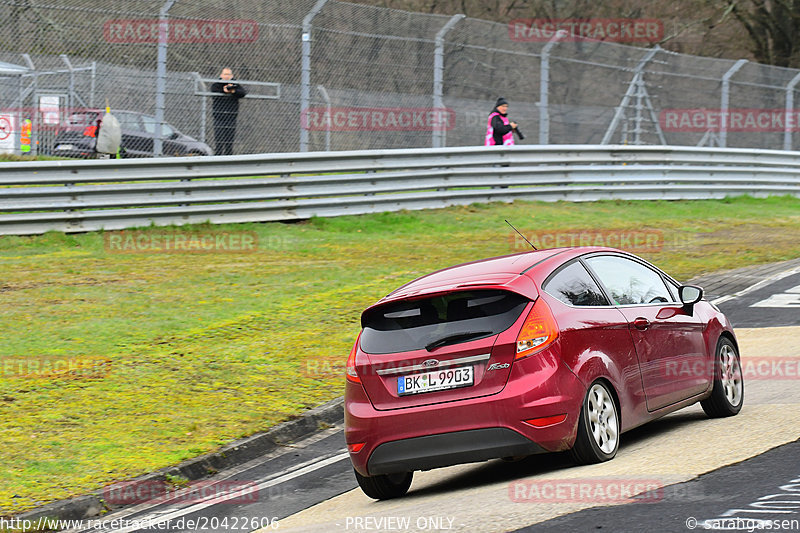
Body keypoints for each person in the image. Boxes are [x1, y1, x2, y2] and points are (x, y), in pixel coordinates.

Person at [210, 67, 247, 155]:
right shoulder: (217, 85)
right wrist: (224, 91)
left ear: (232, 75)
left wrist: (233, 91)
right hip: (219, 117)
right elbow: (214, 92)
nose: (227, 76)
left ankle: (229, 156)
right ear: (221, 75)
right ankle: (217, 156)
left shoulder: (235, 84)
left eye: (228, 74)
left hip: (231, 117)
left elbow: (242, 93)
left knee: (229, 141)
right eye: (225, 74)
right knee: (218, 140)